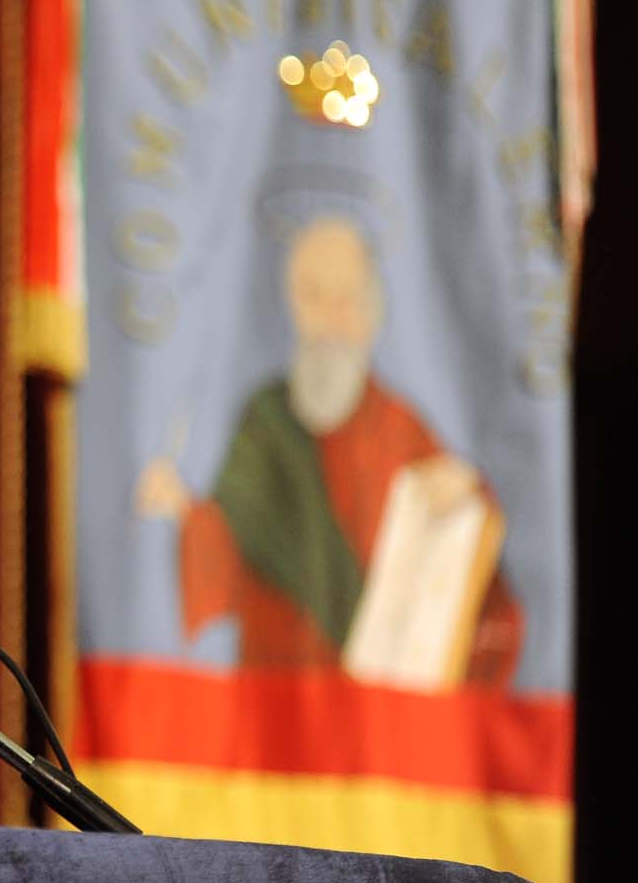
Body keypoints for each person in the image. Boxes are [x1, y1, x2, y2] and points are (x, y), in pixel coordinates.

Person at [136, 216, 522, 687]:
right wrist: (183, 511)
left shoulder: (399, 425)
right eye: (313, 296)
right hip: (277, 702)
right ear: (292, 305)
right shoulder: (265, 420)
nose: (330, 317)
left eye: (346, 298)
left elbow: (468, 575)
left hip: (377, 720)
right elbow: (231, 559)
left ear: (371, 309)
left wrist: (467, 490)